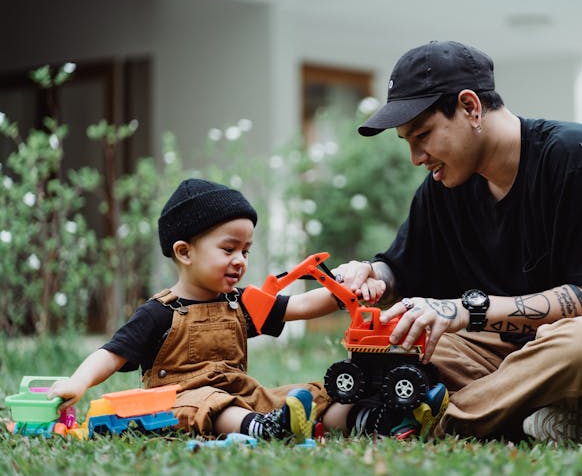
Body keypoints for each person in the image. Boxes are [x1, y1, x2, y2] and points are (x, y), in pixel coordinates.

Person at [334, 40, 582, 442]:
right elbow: (402, 268)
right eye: (408, 142)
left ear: (470, 107)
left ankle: (427, 422)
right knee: (404, 345)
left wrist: (467, 311)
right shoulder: (443, 188)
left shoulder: (577, 155)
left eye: (423, 135)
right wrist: (372, 273)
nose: (416, 157)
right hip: (515, 361)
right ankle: (543, 417)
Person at [47, 178, 368, 442]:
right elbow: (111, 354)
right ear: (185, 253)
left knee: (302, 395)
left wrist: (342, 294)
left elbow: (297, 305)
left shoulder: (239, 302)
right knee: (215, 404)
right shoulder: (158, 313)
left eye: (246, 250)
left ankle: (364, 417)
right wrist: (79, 382)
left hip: (243, 395)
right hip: (181, 402)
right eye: (229, 249)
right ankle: (263, 428)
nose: (240, 260)